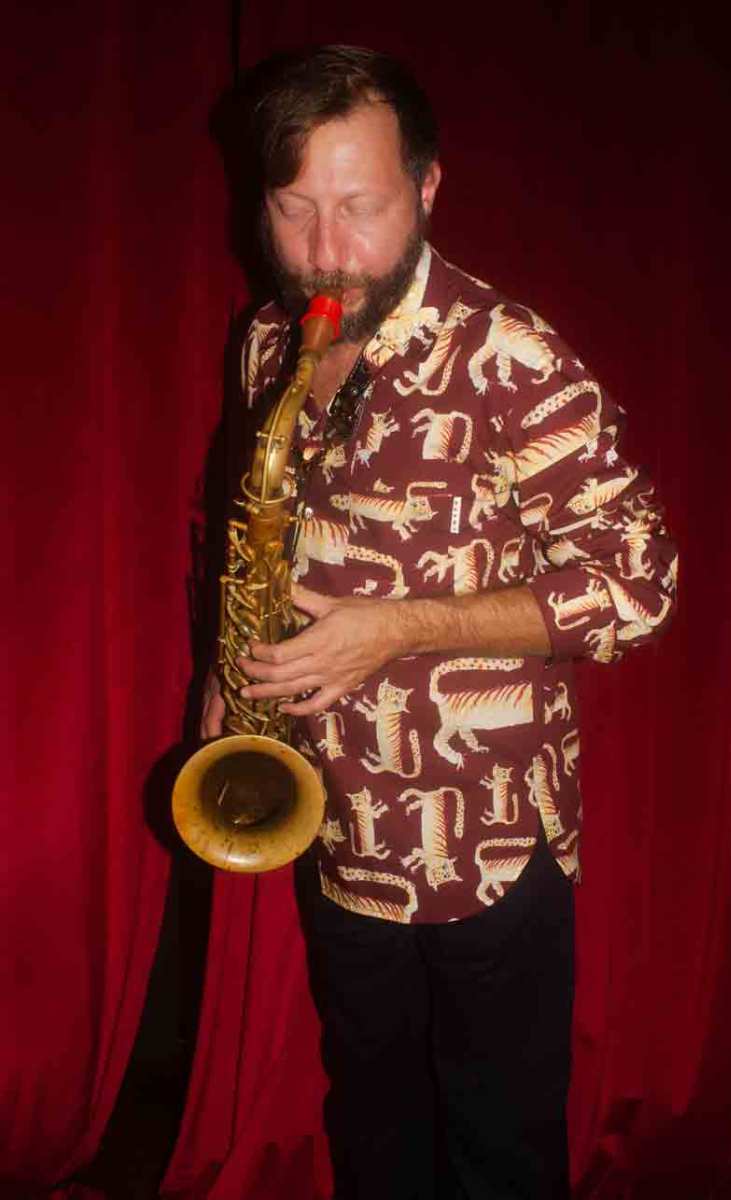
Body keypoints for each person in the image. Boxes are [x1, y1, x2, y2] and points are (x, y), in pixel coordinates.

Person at [202, 44, 677, 1200]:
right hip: (333, 829)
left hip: (486, 846)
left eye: (359, 207)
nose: (325, 250)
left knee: (496, 1149)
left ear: (424, 188)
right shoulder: (268, 341)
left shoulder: (510, 358)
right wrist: (224, 679)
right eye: (294, 208)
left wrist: (400, 626)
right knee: (371, 1127)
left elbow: (637, 584)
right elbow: (253, 530)